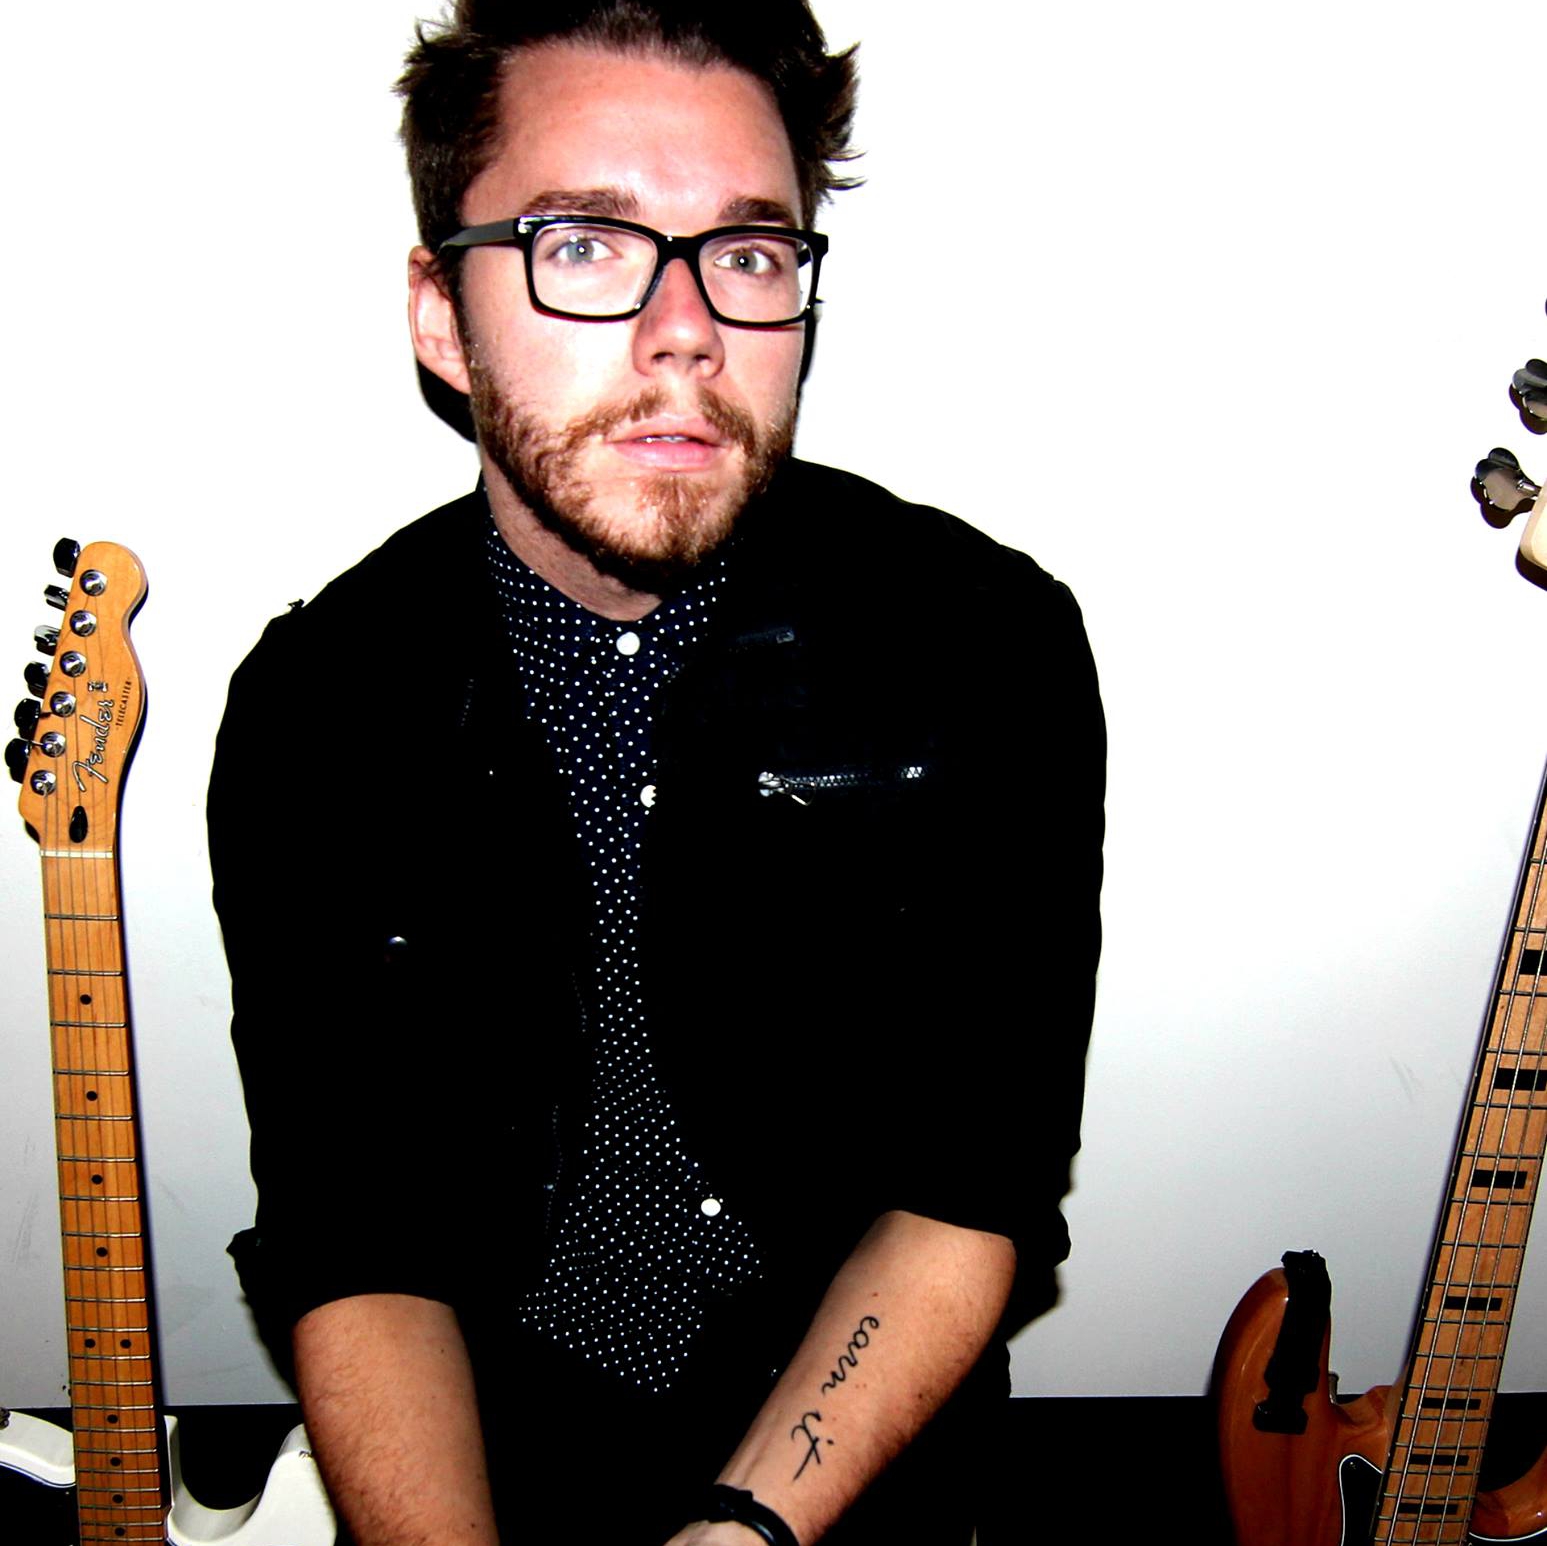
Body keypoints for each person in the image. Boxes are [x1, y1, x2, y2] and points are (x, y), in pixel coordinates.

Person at [207, 3, 1104, 1542]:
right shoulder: (319, 709)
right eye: (587, 243)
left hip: (860, 1454)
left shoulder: (985, 646)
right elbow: (359, 1236)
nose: (688, 328)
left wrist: (740, 1536)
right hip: (486, 1448)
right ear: (440, 312)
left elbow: (972, 1187)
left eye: (749, 253)